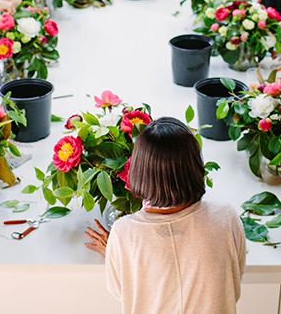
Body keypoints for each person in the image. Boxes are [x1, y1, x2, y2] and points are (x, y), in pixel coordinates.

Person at [84, 117, 246, 314]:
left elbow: (124, 293)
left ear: (138, 171)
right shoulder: (225, 217)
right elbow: (233, 287)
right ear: (196, 166)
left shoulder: (124, 233)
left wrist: (117, 252)